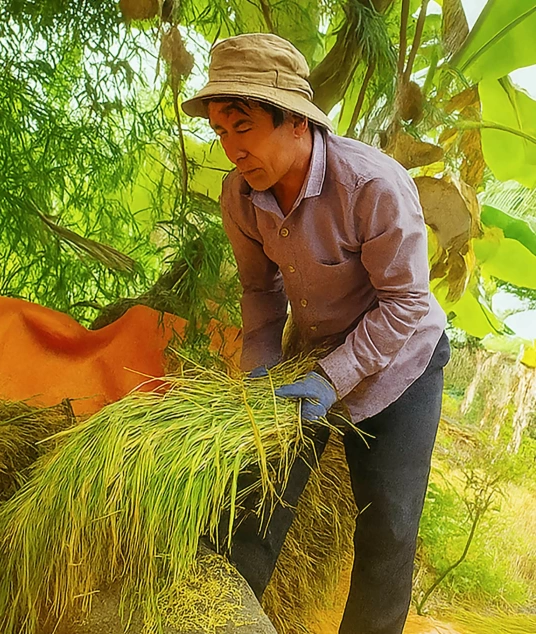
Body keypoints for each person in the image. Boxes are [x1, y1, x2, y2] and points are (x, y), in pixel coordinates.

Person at [181, 33, 451, 634]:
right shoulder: (241, 197)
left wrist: (332, 379)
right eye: (221, 131)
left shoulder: (371, 187)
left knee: (388, 524)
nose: (230, 148)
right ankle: (215, 619)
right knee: (254, 499)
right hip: (311, 357)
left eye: (242, 126)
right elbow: (259, 291)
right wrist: (260, 365)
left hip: (402, 361)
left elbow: (406, 303)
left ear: (296, 123)